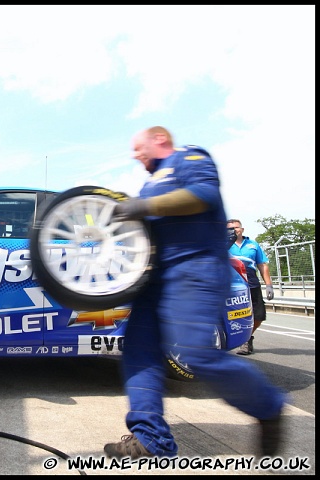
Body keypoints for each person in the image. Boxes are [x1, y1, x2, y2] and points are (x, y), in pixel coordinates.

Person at [105, 126, 286, 459]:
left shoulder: (188, 158)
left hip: (194, 268)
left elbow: (203, 196)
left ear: (159, 140)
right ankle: (151, 440)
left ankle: (269, 406)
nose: (135, 154)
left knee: (197, 355)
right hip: (155, 277)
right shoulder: (151, 182)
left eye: (138, 147)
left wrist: (142, 207)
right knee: (138, 351)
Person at [226, 219, 274, 355]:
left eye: (236, 227)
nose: (235, 230)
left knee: (259, 315)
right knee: (232, 314)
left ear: (242, 229)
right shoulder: (223, 245)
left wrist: (269, 285)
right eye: (230, 229)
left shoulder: (253, 245)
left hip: (251, 281)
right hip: (232, 283)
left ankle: (247, 338)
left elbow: (262, 264)